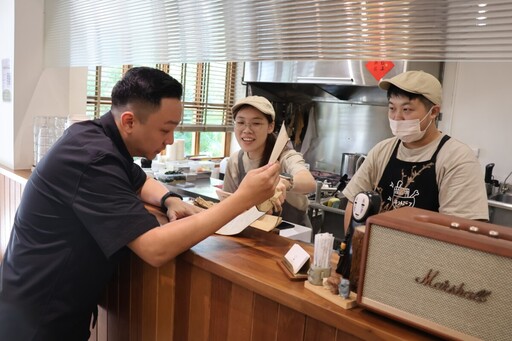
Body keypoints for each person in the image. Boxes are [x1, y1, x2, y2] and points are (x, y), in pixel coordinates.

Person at [0, 67, 281, 340]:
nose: (170, 140)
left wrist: (168, 199)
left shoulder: (95, 137)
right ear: (129, 121)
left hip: (46, 307)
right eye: (165, 130)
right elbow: (155, 249)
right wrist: (242, 199)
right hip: (39, 320)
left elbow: (139, 181)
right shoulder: (93, 159)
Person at [342, 70, 489, 234]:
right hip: (376, 253)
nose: (397, 118)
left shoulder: (457, 159)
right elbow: (353, 203)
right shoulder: (382, 151)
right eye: (392, 108)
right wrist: (356, 247)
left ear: (433, 112)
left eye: (406, 110)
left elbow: (462, 231)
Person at [223, 95, 317, 227]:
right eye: (240, 122)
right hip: (251, 236)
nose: (247, 130)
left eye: (256, 123)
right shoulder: (235, 161)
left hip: (291, 240)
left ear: (270, 127)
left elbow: (309, 182)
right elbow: (227, 206)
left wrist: (284, 182)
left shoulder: (285, 156)